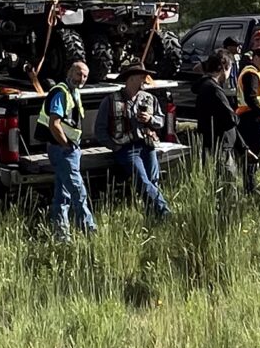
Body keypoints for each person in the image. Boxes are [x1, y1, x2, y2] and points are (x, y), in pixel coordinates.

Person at [41, 56, 97, 240]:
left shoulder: (73, 92)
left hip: (69, 150)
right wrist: (66, 145)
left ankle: (61, 236)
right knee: (78, 192)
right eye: (79, 73)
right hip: (62, 150)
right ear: (69, 73)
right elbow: (54, 124)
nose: (82, 78)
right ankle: (90, 232)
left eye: (85, 76)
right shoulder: (61, 92)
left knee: (62, 195)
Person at [110, 64, 171, 219]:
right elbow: (100, 128)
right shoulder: (112, 100)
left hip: (148, 146)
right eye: (141, 76)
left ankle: (153, 218)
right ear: (130, 78)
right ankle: (165, 212)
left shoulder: (150, 98)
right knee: (143, 181)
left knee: (152, 182)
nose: (145, 79)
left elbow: (161, 121)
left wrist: (150, 119)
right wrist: (114, 146)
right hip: (126, 149)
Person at [231, 36, 260, 194]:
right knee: (252, 153)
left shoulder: (259, 71)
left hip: (259, 117)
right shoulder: (251, 73)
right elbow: (250, 97)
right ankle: (249, 187)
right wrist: (259, 111)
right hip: (250, 118)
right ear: (255, 58)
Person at [185, 53, 234, 166]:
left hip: (210, 141)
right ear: (223, 68)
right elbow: (231, 117)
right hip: (220, 144)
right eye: (229, 70)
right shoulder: (214, 89)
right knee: (226, 179)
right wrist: (237, 116)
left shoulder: (205, 85)